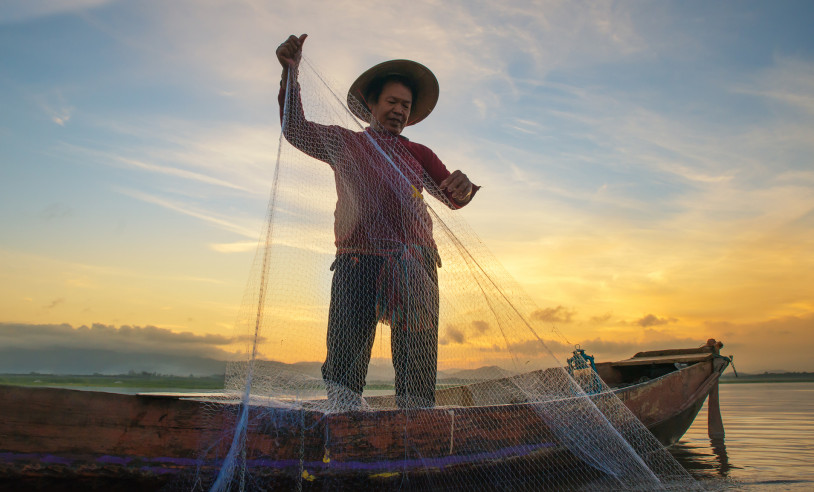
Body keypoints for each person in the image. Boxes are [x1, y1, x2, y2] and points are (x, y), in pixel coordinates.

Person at [276, 34, 478, 409]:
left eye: (406, 105)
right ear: (371, 104)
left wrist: (463, 187)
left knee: (417, 365)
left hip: (416, 266)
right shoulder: (345, 144)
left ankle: (416, 434)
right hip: (357, 262)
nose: (400, 110)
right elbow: (296, 129)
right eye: (392, 102)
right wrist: (290, 75)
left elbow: (453, 197)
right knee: (345, 360)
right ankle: (343, 424)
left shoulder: (420, 154)